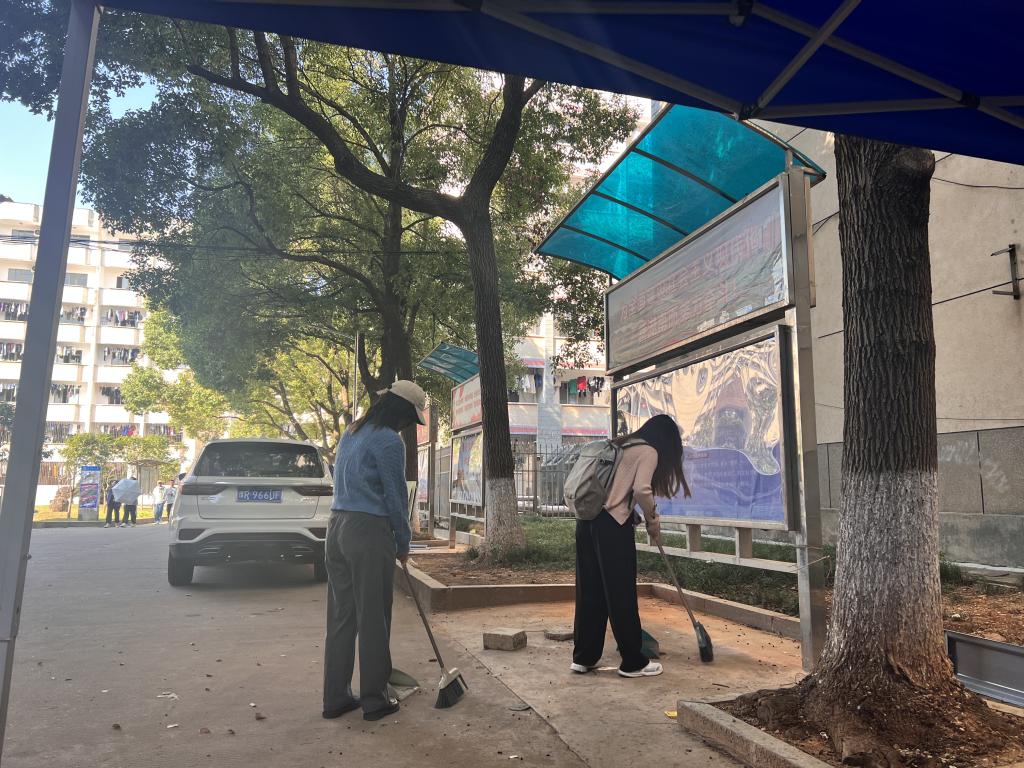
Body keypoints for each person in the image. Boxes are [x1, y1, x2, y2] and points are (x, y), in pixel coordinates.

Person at [323, 380, 426, 722]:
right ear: (403, 413)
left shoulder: (352, 432)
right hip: (368, 531)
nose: (410, 425)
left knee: (341, 617)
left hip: (336, 528)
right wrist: (403, 542)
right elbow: (395, 497)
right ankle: (375, 699)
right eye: (411, 418)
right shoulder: (390, 441)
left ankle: (336, 698)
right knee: (374, 618)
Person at [571, 414, 691, 678]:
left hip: (586, 522)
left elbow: (615, 490)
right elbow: (641, 490)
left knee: (590, 591)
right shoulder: (648, 451)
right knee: (620, 593)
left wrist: (633, 513)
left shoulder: (620, 444)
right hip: (612, 529)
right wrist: (652, 521)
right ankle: (633, 663)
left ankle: (583, 658)